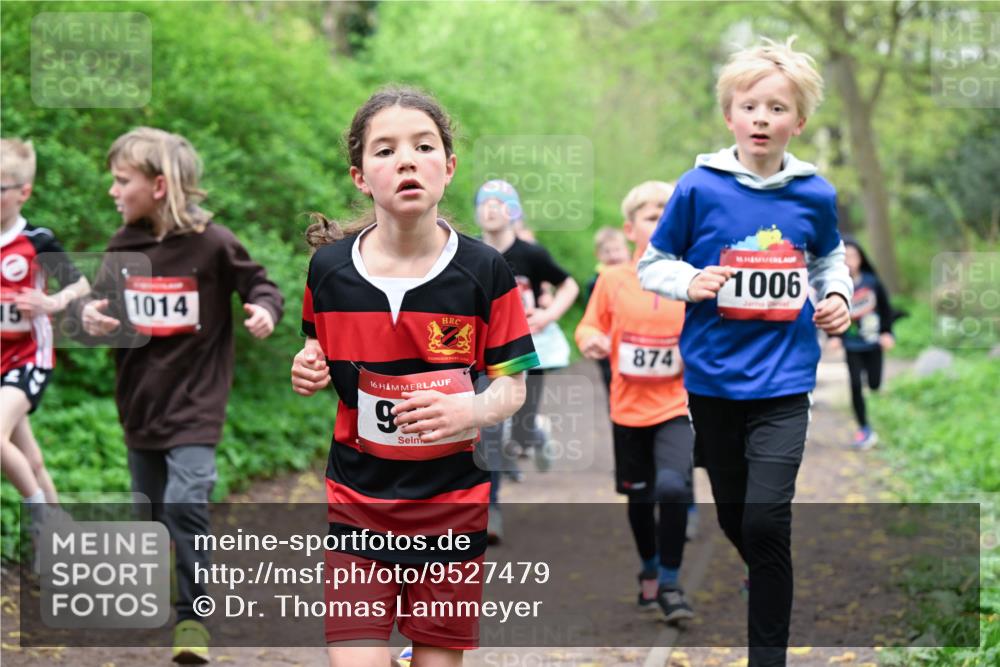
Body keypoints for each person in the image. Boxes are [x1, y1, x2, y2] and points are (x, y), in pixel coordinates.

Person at [289, 86, 537, 667]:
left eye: (423, 146)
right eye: (385, 150)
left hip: (451, 509)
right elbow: (313, 346)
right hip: (358, 504)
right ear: (360, 175)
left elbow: (513, 386)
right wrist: (307, 367)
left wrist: (469, 411)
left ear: (447, 169)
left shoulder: (485, 270)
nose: (405, 159)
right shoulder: (328, 270)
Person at [638, 37, 852, 667]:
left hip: (785, 382)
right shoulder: (699, 187)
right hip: (713, 381)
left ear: (798, 122)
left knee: (765, 522)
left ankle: (768, 656)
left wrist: (834, 292)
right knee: (740, 521)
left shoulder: (814, 193)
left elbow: (828, 256)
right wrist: (690, 281)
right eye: (750, 105)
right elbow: (655, 263)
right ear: (729, 115)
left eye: (777, 108)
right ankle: (762, 568)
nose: (762, 117)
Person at [70, 127, 283, 664]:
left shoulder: (213, 243)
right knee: (153, 513)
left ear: (159, 185)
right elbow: (101, 307)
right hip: (141, 400)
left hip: (197, 402)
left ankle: (194, 618)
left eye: (122, 181)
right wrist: (90, 316)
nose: (113, 192)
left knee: (185, 501)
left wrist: (264, 309)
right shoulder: (124, 247)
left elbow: (259, 284)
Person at [576, 181, 695, 623]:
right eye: (651, 215)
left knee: (673, 487)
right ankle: (648, 567)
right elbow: (589, 326)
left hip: (675, 405)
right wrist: (591, 341)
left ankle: (670, 581)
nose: (661, 220)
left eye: (669, 213)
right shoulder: (612, 280)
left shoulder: (692, 277)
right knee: (641, 498)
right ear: (630, 229)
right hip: (627, 408)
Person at [473, 179, 579, 542]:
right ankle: (491, 511)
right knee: (489, 431)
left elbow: (569, 284)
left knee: (519, 430)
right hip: (485, 357)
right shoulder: (466, 253)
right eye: (484, 202)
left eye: (499, 203)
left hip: (526, 354)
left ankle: (535, 431)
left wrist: (549, 317)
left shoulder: (530, 254)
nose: (490, 208)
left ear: (512, 211)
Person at [1, 137, 90, 539]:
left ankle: (42, 520)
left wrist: (52, 302)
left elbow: (81, 283)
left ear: (24, 192)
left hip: (28, 357)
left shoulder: (37, 240)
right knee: (30, 460)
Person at [826, 236, 894, 450]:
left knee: (874, 384)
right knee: (855, 385)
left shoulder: (872, 282)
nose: (850, 260)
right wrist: (834, 336)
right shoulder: (835, 285)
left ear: (861, 258)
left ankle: (872, 386)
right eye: (845, 256)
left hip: (873, 342)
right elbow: (829, 311)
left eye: (854, 256)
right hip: (852, 344)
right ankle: (864, 428)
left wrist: (887, 332)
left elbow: (885, 309)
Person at [585, 226, 631, 395]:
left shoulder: (637, 277)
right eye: (607, 251)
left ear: (627, 250)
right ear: (598, 255)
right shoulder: (595, 282)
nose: (614, 255)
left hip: (630, 339)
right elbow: (593, 315)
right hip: (607, 343)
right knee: (611, 383)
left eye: (617, 250)